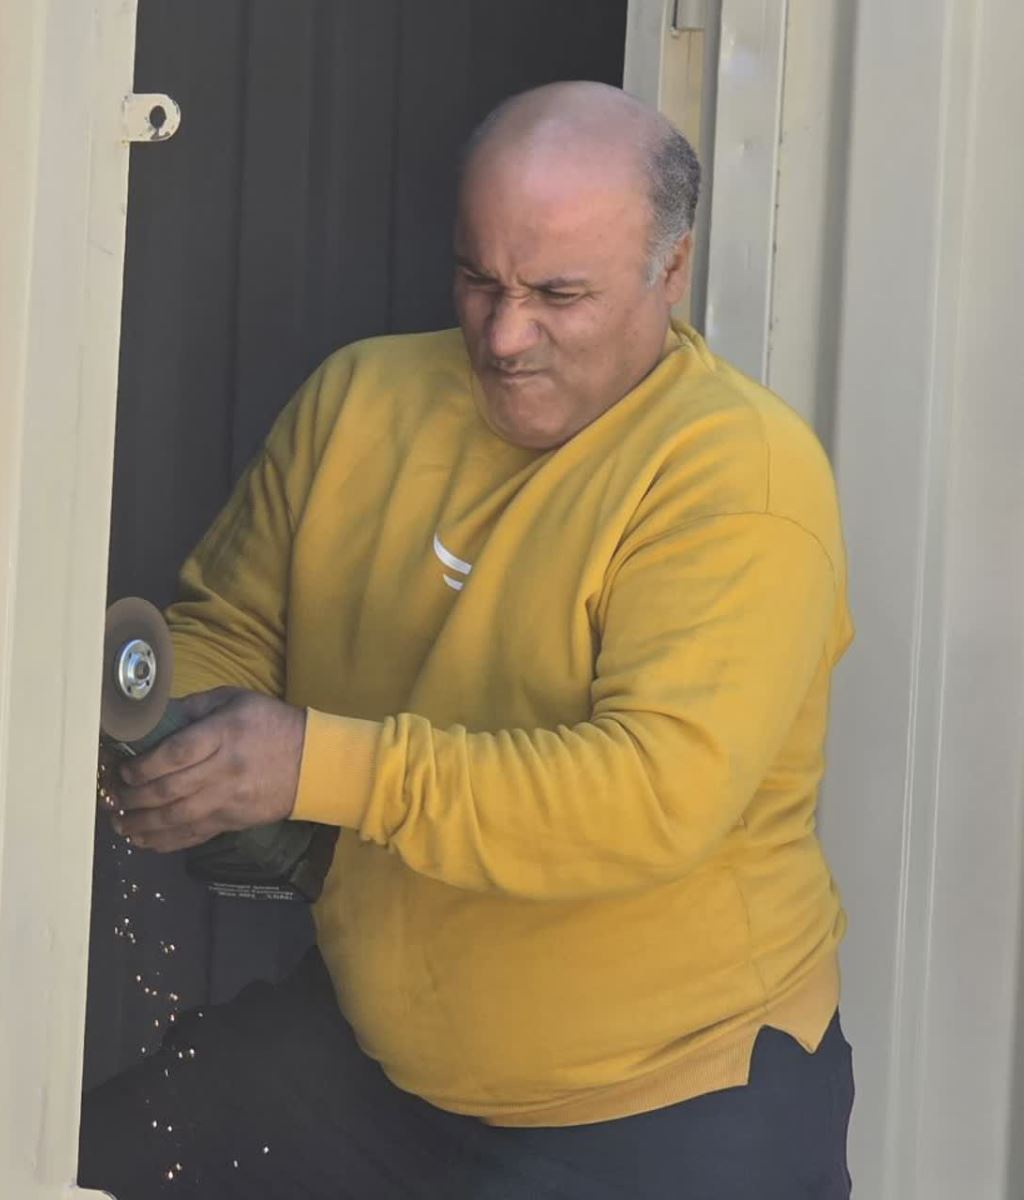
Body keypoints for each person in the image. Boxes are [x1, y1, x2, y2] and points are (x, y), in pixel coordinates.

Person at [79, 80, 855, 1199]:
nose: (503, 335)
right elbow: (234, 625)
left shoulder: (738, 475)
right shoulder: (359, 400)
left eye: (558, 294)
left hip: (670, 1103)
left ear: (671, 270)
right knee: (76, 1165)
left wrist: (311, 764)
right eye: (478, 280)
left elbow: (649, 795)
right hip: (377, 1063)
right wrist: (186, 735)